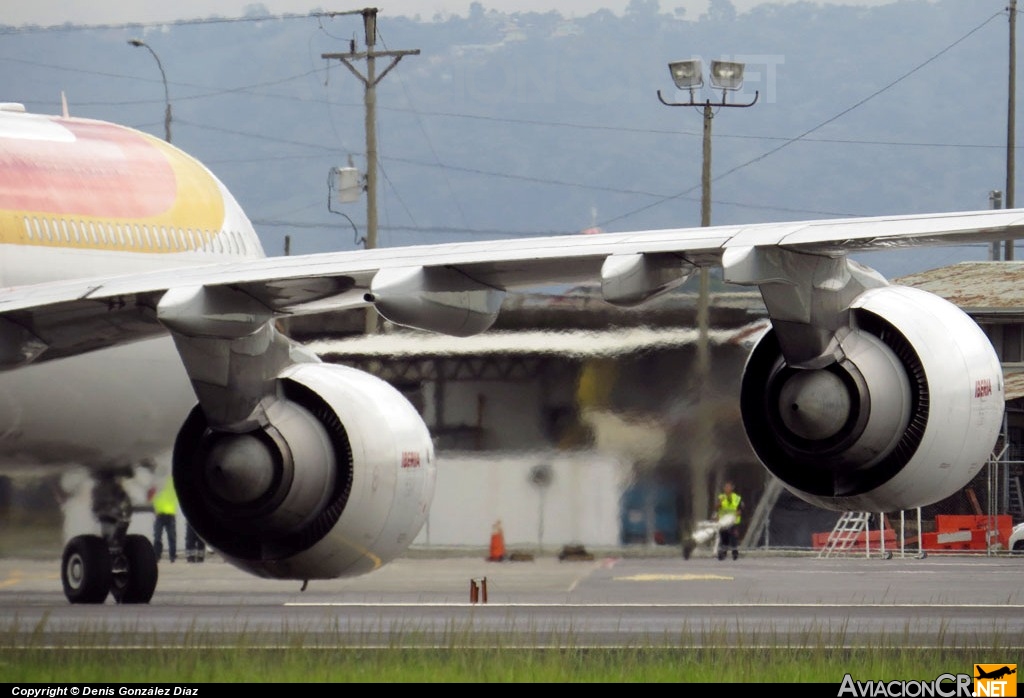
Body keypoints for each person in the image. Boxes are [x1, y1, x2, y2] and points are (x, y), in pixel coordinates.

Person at [714, 481, 744, 561]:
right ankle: (723, 553)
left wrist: (735, 515)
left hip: (733, 521)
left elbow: (740, 510)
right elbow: (716, 508)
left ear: (732, 488)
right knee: (724, 536)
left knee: (733, 537)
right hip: (723, 521)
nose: (726, 488)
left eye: (728, 487)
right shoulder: (721, 497)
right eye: (725, 487)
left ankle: (734, 551)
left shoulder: (737, 498)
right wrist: (719, 504)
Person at [151, 477, 178, 563]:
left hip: (165, 513)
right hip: (165, 513)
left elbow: (152, 495)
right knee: (168, 537)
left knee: (159, 536)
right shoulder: (170, 482)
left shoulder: (159, 481)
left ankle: (159, 556)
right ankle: (170, 556)